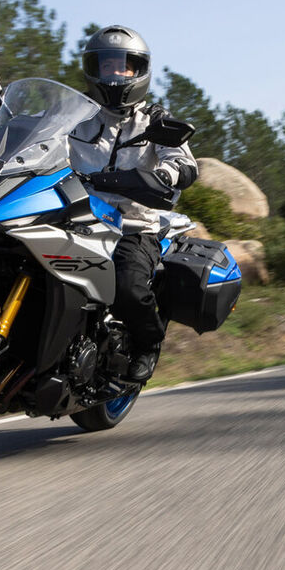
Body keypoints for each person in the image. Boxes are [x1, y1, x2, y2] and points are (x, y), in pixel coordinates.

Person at [67, 25, 198, 382]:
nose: (115, 73)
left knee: (127, 286)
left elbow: (182, 161)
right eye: (107, 65)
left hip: (131, 225)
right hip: (74, 217)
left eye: (124, 66)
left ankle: (147, 343)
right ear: (93, 69)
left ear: (138, 71)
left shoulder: (155, 119)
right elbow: (36, 136)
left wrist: (166, 174)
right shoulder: (74, 113)